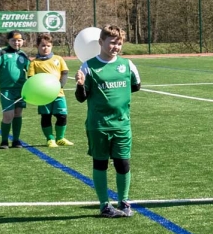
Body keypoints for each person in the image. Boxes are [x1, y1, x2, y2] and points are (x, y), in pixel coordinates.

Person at [76, 24, 142, 216]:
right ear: (101, 42)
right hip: (98, 125)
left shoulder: (127, 64)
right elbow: (81, 98)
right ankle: (104, 205)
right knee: (101, 163)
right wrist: (80, 85)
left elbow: (135, 86)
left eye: (119, 43)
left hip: (122, 124)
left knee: (123, 163)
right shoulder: (88, 66)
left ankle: (124, 201)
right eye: (112, 42)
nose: (116, 47)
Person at [29, 32, 73, 147]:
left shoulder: (58, 58)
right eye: (43, 45)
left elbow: (65, 72)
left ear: (51, 46)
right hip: (43, 96)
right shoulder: (34, 63)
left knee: (62, 115)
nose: (45, 48)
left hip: (59, 93)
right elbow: (31, 78)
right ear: (37, 46)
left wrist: (60, 85)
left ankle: (60, 138)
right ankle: (50, 139)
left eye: (48, 45)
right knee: (46, 116)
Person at [0, 30, 30, 148]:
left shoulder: (23, 55)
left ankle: (16, 140)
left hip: (21, 90)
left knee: (18, 114)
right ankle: (4, 140)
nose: (16, 43)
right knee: (8, 115)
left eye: (19, 40)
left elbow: (31, 70)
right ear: (8, 41)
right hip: (7, 90)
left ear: (23, 41)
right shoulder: (2, 53)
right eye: (13, 40)